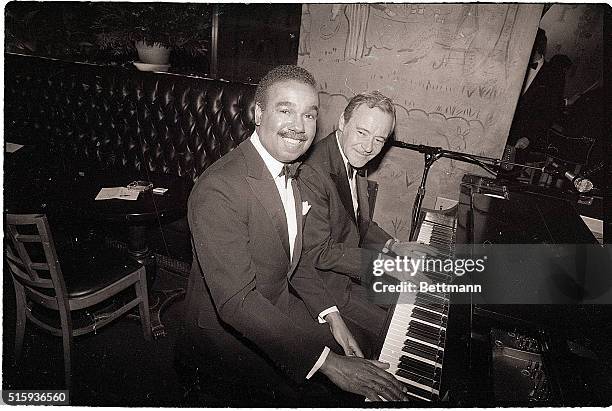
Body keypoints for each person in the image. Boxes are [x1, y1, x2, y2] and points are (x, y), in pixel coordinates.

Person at [180, 65, 409, 405]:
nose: (299, 127)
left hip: (278, 307)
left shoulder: (290, 171)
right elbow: (237, 304)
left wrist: (331, 317)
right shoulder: (220, 188)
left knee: (369, 357)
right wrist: (328, 363)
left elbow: (295, 256)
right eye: (285, 110)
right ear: (258, 113)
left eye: (309, 115)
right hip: (225, 340)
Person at [296, 91, 436, 341]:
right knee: (403, 333)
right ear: (342, 122)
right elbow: (319, 252)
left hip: (349, 274)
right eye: (362, 132)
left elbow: (359, 221)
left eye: (379, 139)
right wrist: (386, 264)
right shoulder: (312, 173)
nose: (369, 147)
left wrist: (394, 246)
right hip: (326, 289)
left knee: (422, 300)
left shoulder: (353, 157)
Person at [506, 28, 568, 160]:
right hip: (496, 131)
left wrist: (530, 137)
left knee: (505, 176)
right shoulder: (512, 63)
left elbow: (550, 111)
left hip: (521, 138)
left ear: (537, 47)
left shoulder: (554, 76)